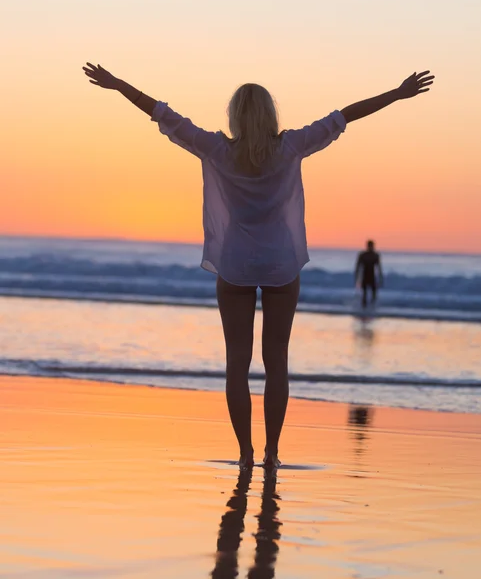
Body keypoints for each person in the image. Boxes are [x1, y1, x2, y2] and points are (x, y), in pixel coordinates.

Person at [82, 62, 435, 469]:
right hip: (281, 265)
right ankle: (272, 453)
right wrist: (396, 93)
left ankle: (245, 453)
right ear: (270, 115)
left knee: (237, 363)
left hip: (234, 264)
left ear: (235, 116)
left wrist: (117, 84)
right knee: (277, 362)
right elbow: (345, 115)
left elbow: (161, 113)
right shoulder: (291, 147)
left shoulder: (216, 149)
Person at [355, 240, 383, 307]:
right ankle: (365, 308)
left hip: (371, 276)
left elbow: (379, 268)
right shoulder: (364, 255)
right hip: (365, 276)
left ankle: (371, 306)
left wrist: (380, 277)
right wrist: (357, 277)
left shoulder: (375, 255)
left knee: (373, 293)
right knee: (365, 294)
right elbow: (358, 266)